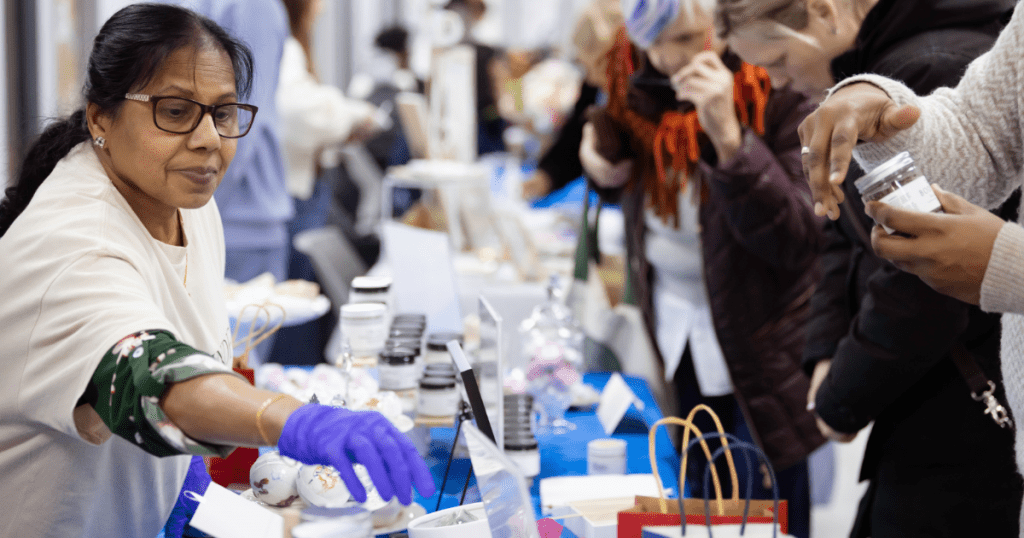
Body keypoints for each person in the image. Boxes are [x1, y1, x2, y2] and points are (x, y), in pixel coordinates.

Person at [0, 6, 434, 537]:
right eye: (175, 111)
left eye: (223, 113)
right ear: (100, 118)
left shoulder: (189, 206)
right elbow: (148, 375)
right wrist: (291, 419)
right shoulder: (69, 242)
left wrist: (192, 491)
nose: (209, 139)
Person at [718, 0, 1024, 535]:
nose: (777, 82)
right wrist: (874, 100)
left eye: (780, 61)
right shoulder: (884, 66)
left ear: (821, 12)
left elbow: (921, 283)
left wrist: (843, 393)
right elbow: (977, 138)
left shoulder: (931, 59)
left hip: (954, 400)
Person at [578, 1, 824, 536]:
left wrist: (731, 140)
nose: (673, 58)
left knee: (764, 508)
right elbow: (627, 168)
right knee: (698, 496)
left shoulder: (779, 88)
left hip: (764, 336)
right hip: (675, 325)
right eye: (657, 41)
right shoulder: (640, 85)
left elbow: (797, 237)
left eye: (692, 37)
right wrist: (598, 160)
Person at [168, 0, 293, 365]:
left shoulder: (251, 7)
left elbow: (237, 122)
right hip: (197, 214)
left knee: (232, 372)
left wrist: (191, 216)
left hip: (239, 221)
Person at [269, 0, 380, 366]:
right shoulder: (284, 45)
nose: (321, 10)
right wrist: (352, 117)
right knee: (297, 309)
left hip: (298, 189)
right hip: (294, 194)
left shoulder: (285, 45)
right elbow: (300, 113)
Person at [521, 0, 620, 201]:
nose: (590, 77)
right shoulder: (592, 86)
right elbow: (573, 139)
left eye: (596, 66)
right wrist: (546, 176)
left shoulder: (637, 93)